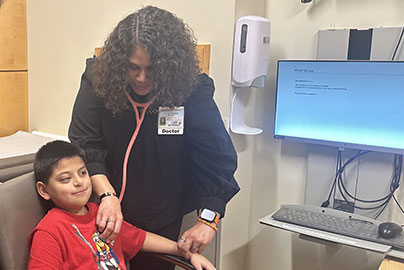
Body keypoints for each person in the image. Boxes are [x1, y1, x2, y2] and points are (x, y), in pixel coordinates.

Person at [68, 5, 240, 269]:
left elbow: (216, 159)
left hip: (160, 216)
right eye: (133, 67)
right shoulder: (98, 79)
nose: (141, 78)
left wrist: (208, 221)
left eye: (152, 69)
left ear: (170, 67)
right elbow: (85, 142)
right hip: (102, 212)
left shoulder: (192, 91)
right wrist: (106, 197)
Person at [28, 140, 215, 270]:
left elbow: (139, 238)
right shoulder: (49, 232)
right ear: (44, 190)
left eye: (83, 173)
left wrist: (186, 252)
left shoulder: (100, 214)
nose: (79, 182)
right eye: (66, 178)